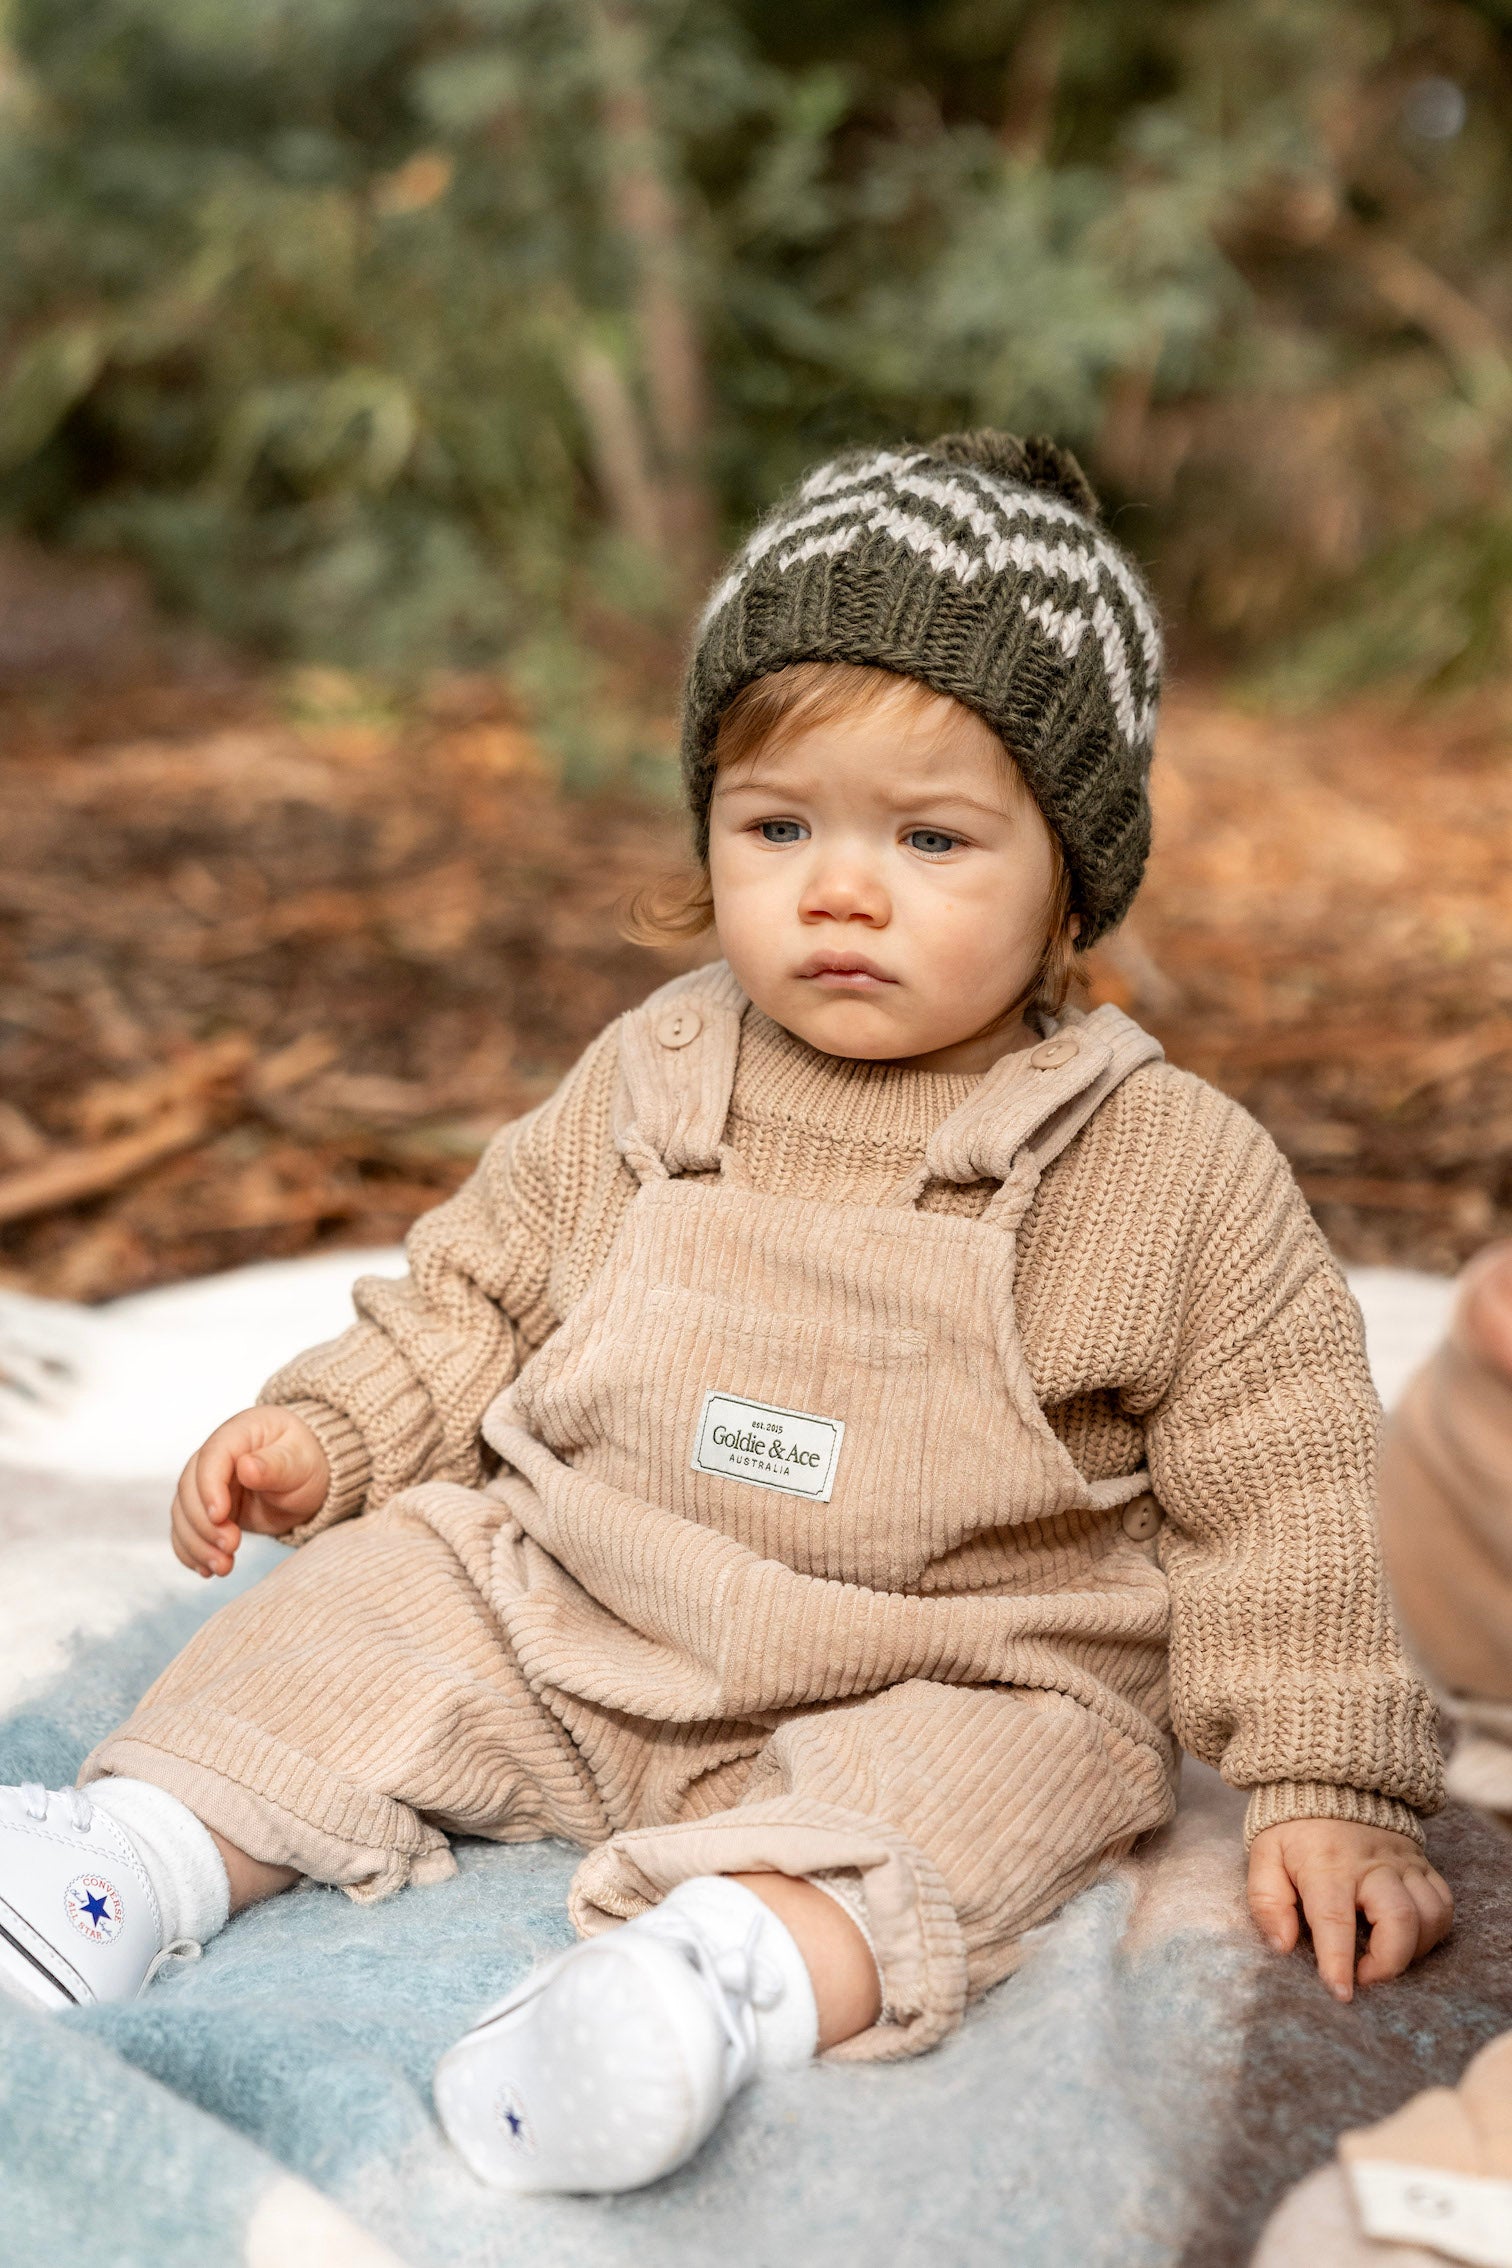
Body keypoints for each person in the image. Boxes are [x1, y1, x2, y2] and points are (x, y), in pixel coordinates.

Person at [0, 431, 1452, 2196]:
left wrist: (1327, 1780)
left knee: (1029, 1783)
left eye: (931, 838)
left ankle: (704, 1989)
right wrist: (334, 1427)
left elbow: (1288, 1491)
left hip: (939, 1670)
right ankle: (126, 1865)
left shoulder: (1162, 1168)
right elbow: (483, 1288)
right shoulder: (660, 1067)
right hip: (583, 1608)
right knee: (377, 1598)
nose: (839, 889)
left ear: (1073, 872)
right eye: (779, 827)